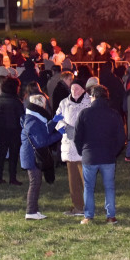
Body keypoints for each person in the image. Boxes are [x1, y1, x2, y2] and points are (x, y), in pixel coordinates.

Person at [74, 85, 126, 224]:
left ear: (94, 96)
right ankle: (110, 216)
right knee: (109, 187)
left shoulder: (85, 113)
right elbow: (121, 138)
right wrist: (114, 152)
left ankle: (88, 216)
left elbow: (77, 136)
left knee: (89, 187)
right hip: (108, 156)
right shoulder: (114, 114)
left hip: (89, 155)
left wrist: (82, 151)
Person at [20, 94, 63, 220]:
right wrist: (59, 134)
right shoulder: (33, 120)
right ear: (40, 105)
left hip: (31, 156)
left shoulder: (34, 118)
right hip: (32, 157)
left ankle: (33, 210)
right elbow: (42, 142)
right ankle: (31, 212)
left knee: (36, 183)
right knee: (35, 183)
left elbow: (43, 131)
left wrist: (53, 122)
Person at [55, 83, 92, 215]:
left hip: (83, 147)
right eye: (72, 88)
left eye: (77, 88)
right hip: (69, 146)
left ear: (83, 90)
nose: (74, 91)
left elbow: (92, 122)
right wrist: (64, 128)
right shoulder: (64, 103)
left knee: (86, 179)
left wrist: (78, 131)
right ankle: (78, 207)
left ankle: (89, 207)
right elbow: (57, 119)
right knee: (73, 180)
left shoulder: (89, 103)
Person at [0, 77, 24, 185]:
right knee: (13, 155)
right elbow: (22, 117)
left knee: (1, 154)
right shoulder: (16, 101)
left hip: (1, 130)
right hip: (14, 130)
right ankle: (12, 178)